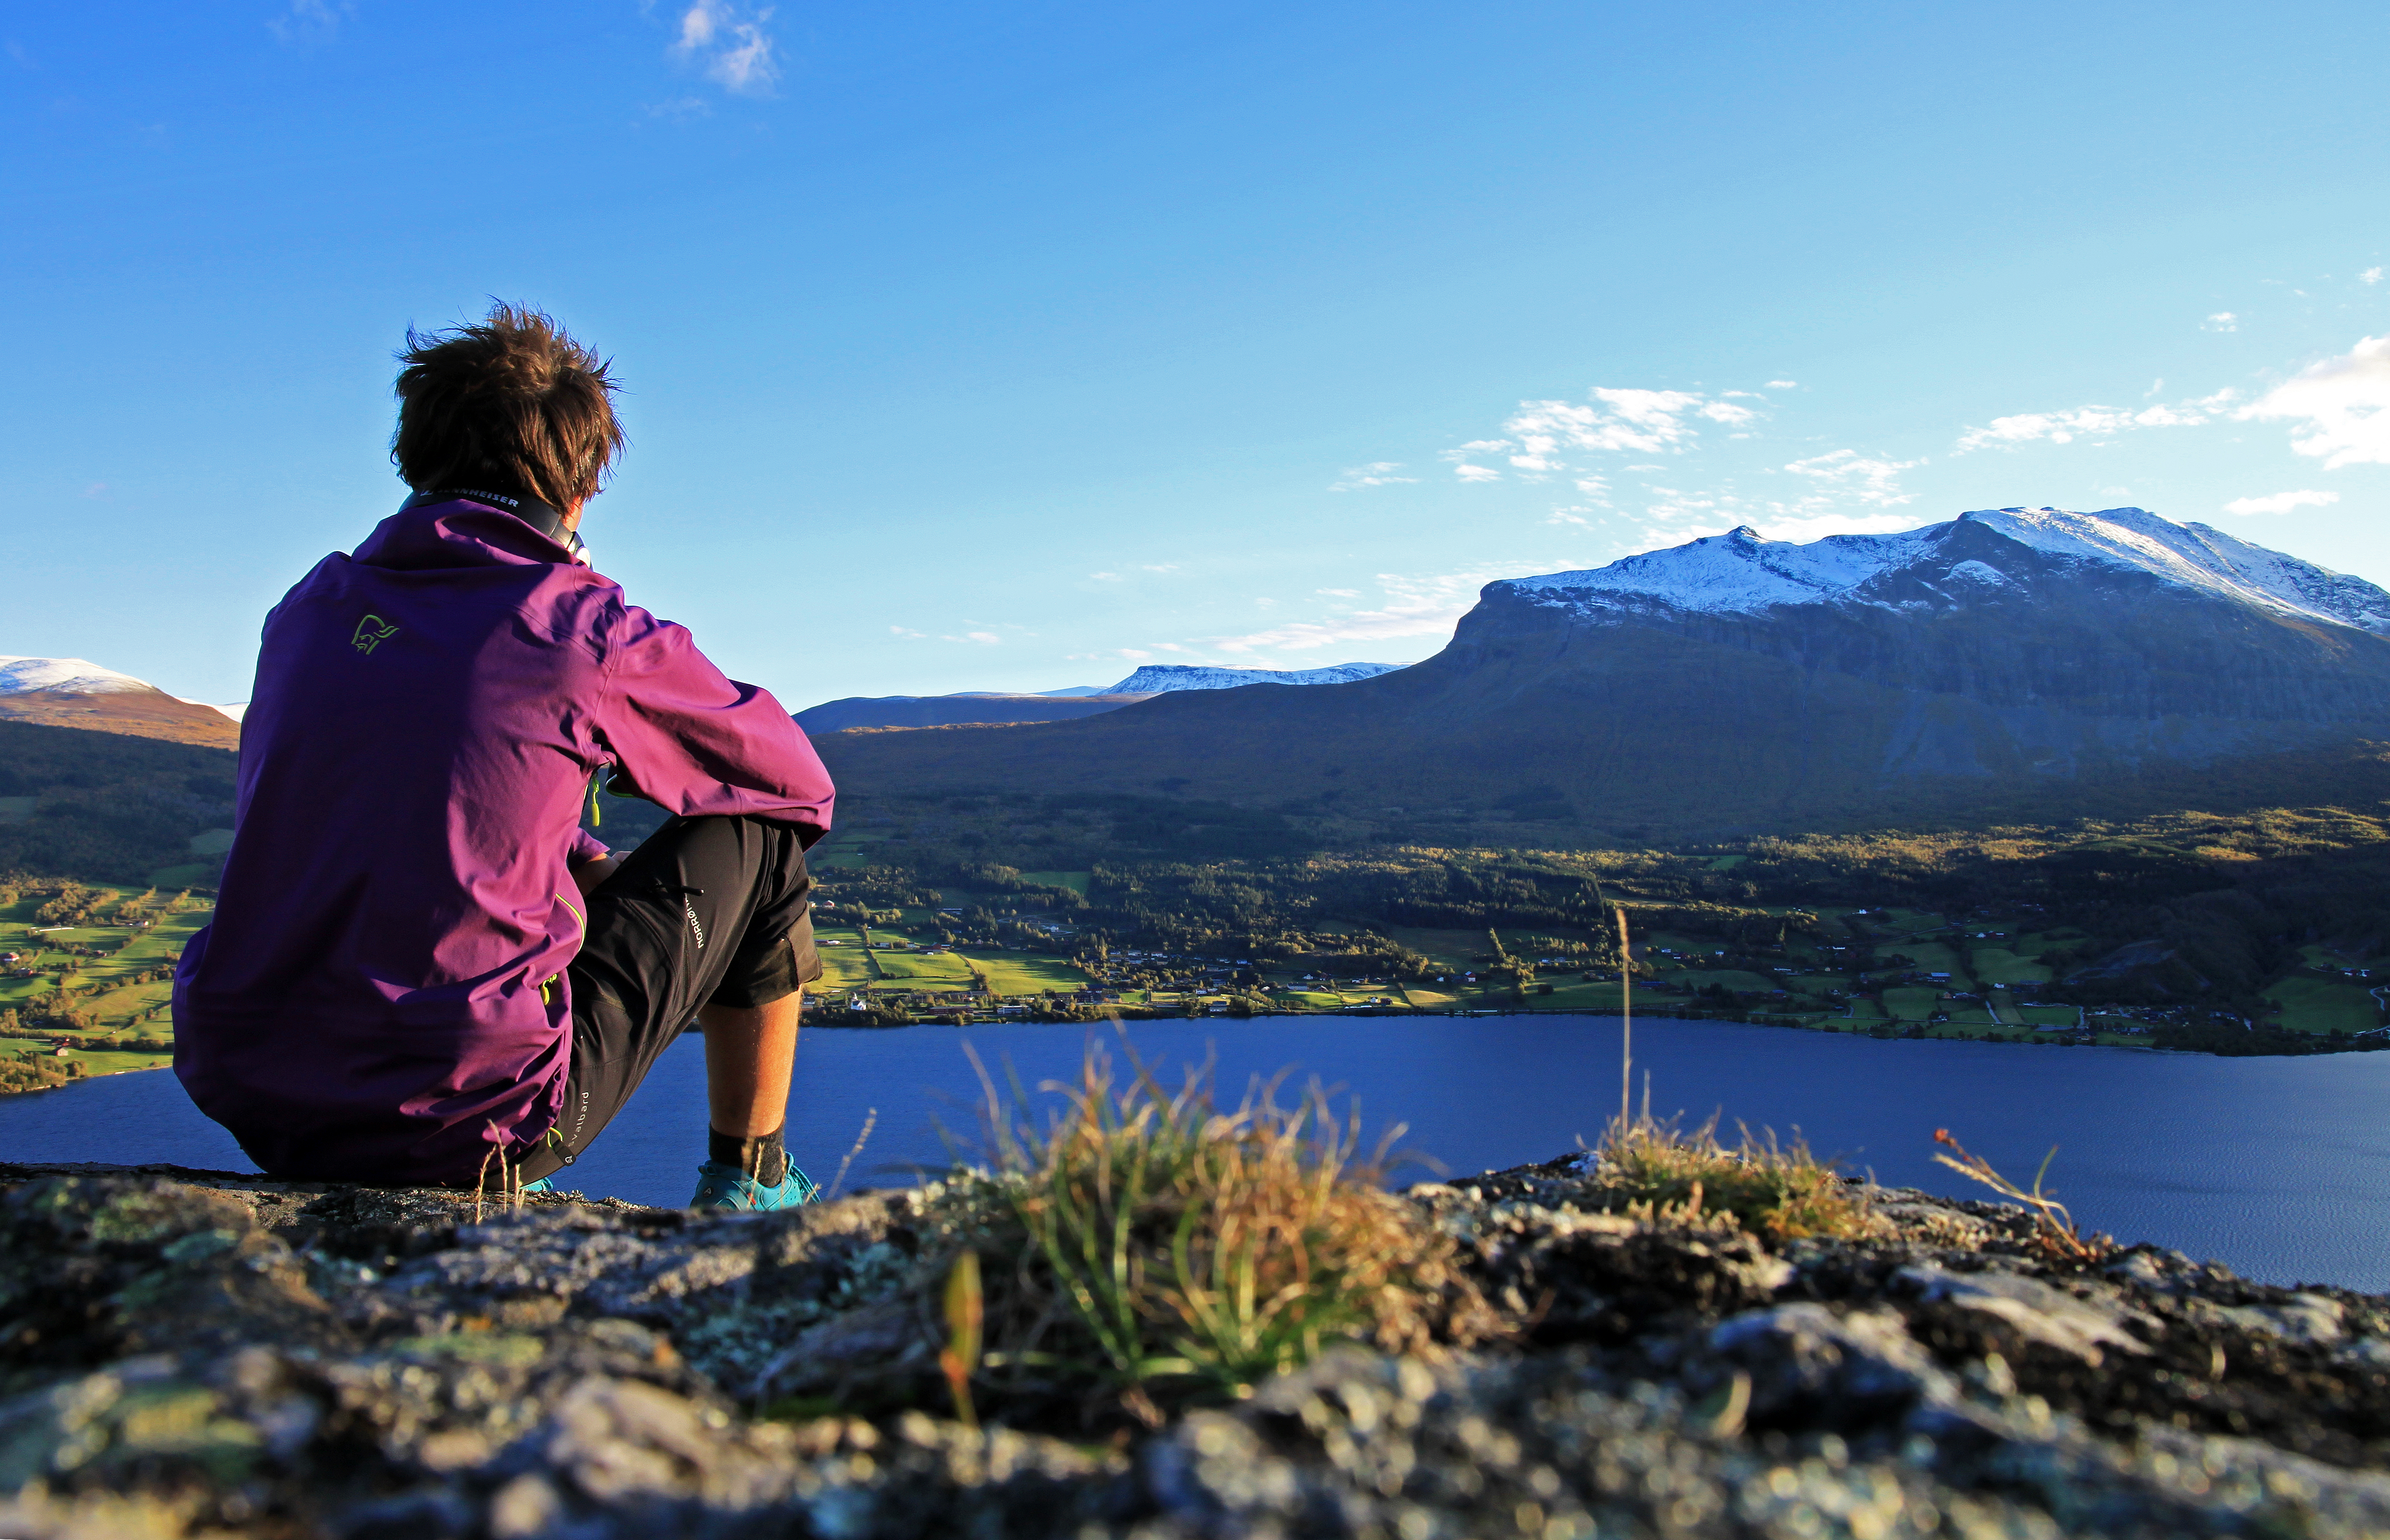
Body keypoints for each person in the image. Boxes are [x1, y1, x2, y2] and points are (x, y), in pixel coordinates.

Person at [173, 305, 834, 1209]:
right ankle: (752, 1184)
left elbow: (422, 805)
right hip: (466, 1118)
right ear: (581, 486)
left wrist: (579, 858)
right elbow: (794, 781)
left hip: (254, 1092)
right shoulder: (580, 630)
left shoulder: (308, 610)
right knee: (761, 839)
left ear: (413, 458)